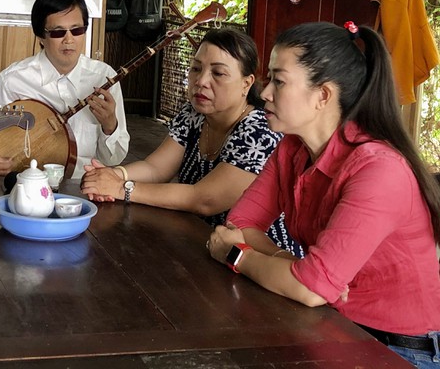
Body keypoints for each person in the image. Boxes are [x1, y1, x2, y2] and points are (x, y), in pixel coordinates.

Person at [207, 21, 440, 368]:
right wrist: (292, 266)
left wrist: (235, 255)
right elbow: (240, 222)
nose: (265, 92)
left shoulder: (378, 170)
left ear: (323, 95)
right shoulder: (293, 148)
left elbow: (309, 289)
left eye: (279, 81)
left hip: (398, 351)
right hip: (333, 326)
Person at [81, 28, 302, 256]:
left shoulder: (260, 130)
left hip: (258, 256)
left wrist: (121, 188)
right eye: (196, 69)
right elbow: (156, 168)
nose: (201, 81)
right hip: (203, 242)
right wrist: (113, 175)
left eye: (218, 73)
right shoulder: (194, 114)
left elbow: (204, 199)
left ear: (246, 83)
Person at [0, 0, 130, 180]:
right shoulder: (13, 80)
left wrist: (109, 126)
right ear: (40, 37)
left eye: (77, 30)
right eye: (58, 32)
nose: (69, 40)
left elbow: (113, 159)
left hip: (85, 187)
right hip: (24, 187)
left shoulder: (104, 77)